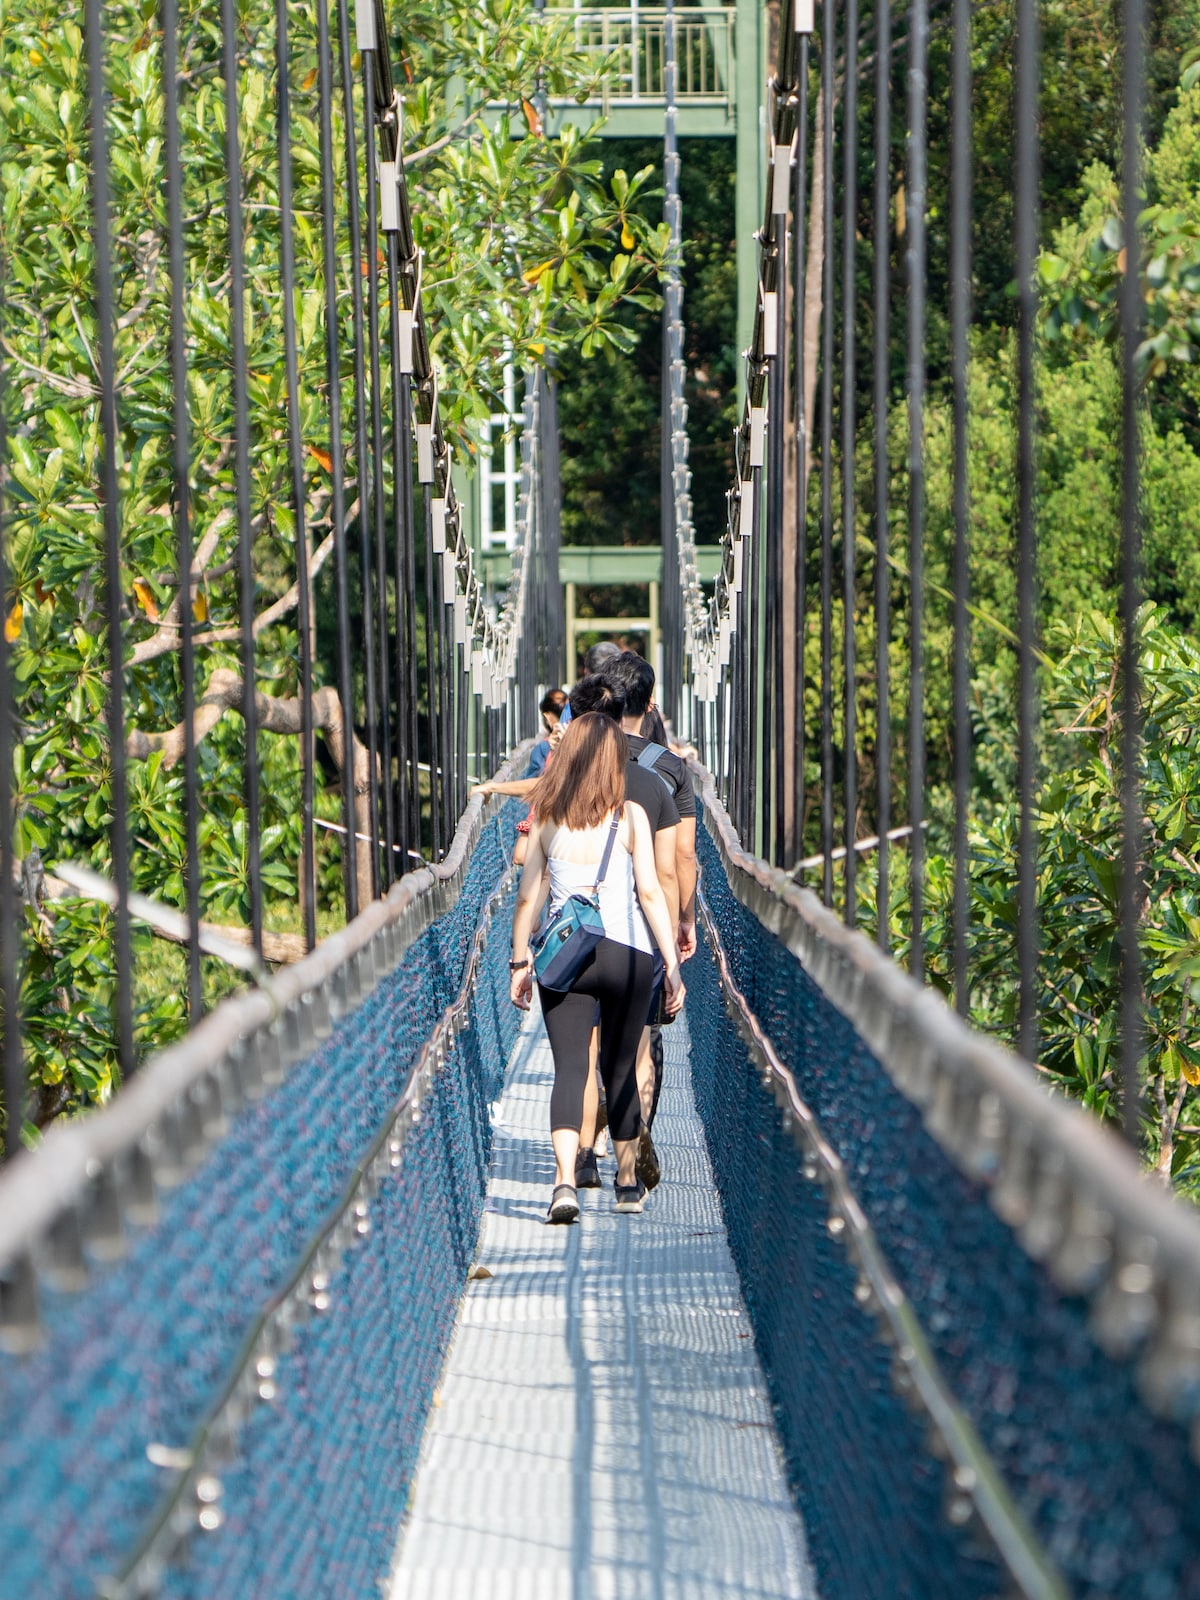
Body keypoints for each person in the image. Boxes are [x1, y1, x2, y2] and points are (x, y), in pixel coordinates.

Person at [509, 713, 684, 1222]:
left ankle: (564, 1184)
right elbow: (650, 892)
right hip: (628, 953)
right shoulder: (629, 815)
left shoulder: (547, 816)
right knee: (620, 1066)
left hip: (568, 959)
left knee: (570, 1068)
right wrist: (671, 965)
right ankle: (626, 1184)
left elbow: (527, 899)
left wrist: (520, 960)